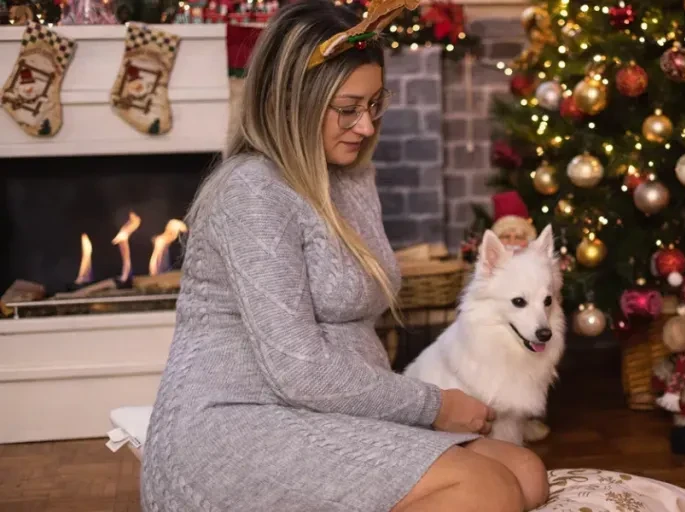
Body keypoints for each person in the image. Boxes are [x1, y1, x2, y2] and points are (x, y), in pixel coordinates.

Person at [140, 1, 549, 510]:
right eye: (348, 108)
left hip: (323, 414)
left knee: (528, 474)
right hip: (236, 419)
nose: (366, 126)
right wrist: (431, 406)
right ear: (292, 101)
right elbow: (299, 369)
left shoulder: (351, 177)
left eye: (376, 104)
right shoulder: (250, 191)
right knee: (486, 489)